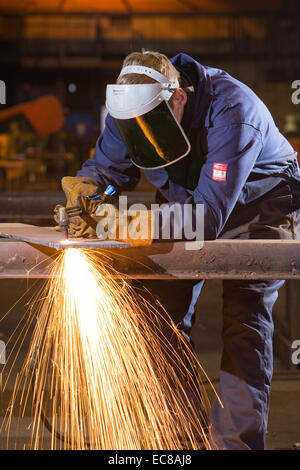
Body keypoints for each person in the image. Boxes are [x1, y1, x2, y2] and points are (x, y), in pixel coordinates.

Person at [60, 51, 300, 450]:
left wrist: (125, 223)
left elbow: (204, 220)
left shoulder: (235, 111)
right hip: (186, 202)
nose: (139, 132)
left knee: (245, 321)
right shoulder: (130, 106)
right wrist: (90, 192)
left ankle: (235, 444)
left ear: (178, 99)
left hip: (262, 209)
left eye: (149, 124)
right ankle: (179, 441)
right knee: (160, 315)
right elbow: (108, 171)